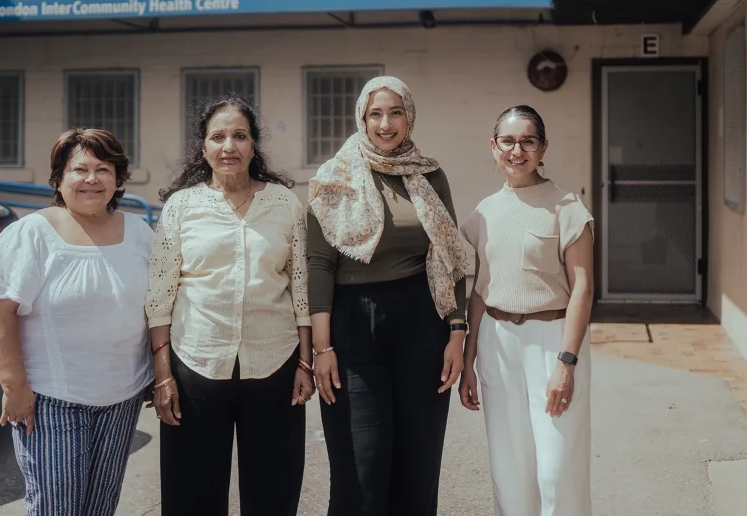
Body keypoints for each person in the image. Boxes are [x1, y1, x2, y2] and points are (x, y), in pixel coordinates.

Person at [307, 76, 471, 516]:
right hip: (353, 326)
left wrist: (457, 332)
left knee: (418, 459)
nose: (386, 123)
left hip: (423, 320)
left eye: (395, 111)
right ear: (362, 117)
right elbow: (319, 264)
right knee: (362, 460)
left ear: (409, 117)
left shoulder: (429, 174)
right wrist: (321, 347)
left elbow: (449, 255)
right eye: (375, 113)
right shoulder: (333, 176)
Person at [145, 96, 314, 516]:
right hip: (196, 364)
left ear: (254, 145)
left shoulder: (284, 204)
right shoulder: (182, 207)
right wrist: (163, 375)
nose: (229, 146)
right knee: (192, 494)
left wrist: (305, 363)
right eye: (217, 137)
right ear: (203, 148)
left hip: (275, 362)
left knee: (273, 490)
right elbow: (159, 296)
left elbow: (301, 289)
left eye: (239, 136)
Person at [0, 128, 153, 516]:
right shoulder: (31, 233)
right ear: (59, 177)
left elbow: (158, 307)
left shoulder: (139, 232)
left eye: (103, 169)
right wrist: (13, 386)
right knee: (57, 508)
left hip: (122, 398)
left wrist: (159, 374)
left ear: (118, 179)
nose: (92, 179)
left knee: (99, 508)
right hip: (51, 400)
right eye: (80, 169)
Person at [458, 105, 595, 516]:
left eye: (527, 141)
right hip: (496, 344)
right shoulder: (484, 211)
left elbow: (583, 288)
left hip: (553, 342)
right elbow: (481, 290)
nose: (517, 151)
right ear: (493, 146)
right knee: (509, 467)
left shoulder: (567, 208)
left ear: (542, 148)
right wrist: (469, 362)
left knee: (557, 468)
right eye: (508, 141)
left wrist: (566, 363)